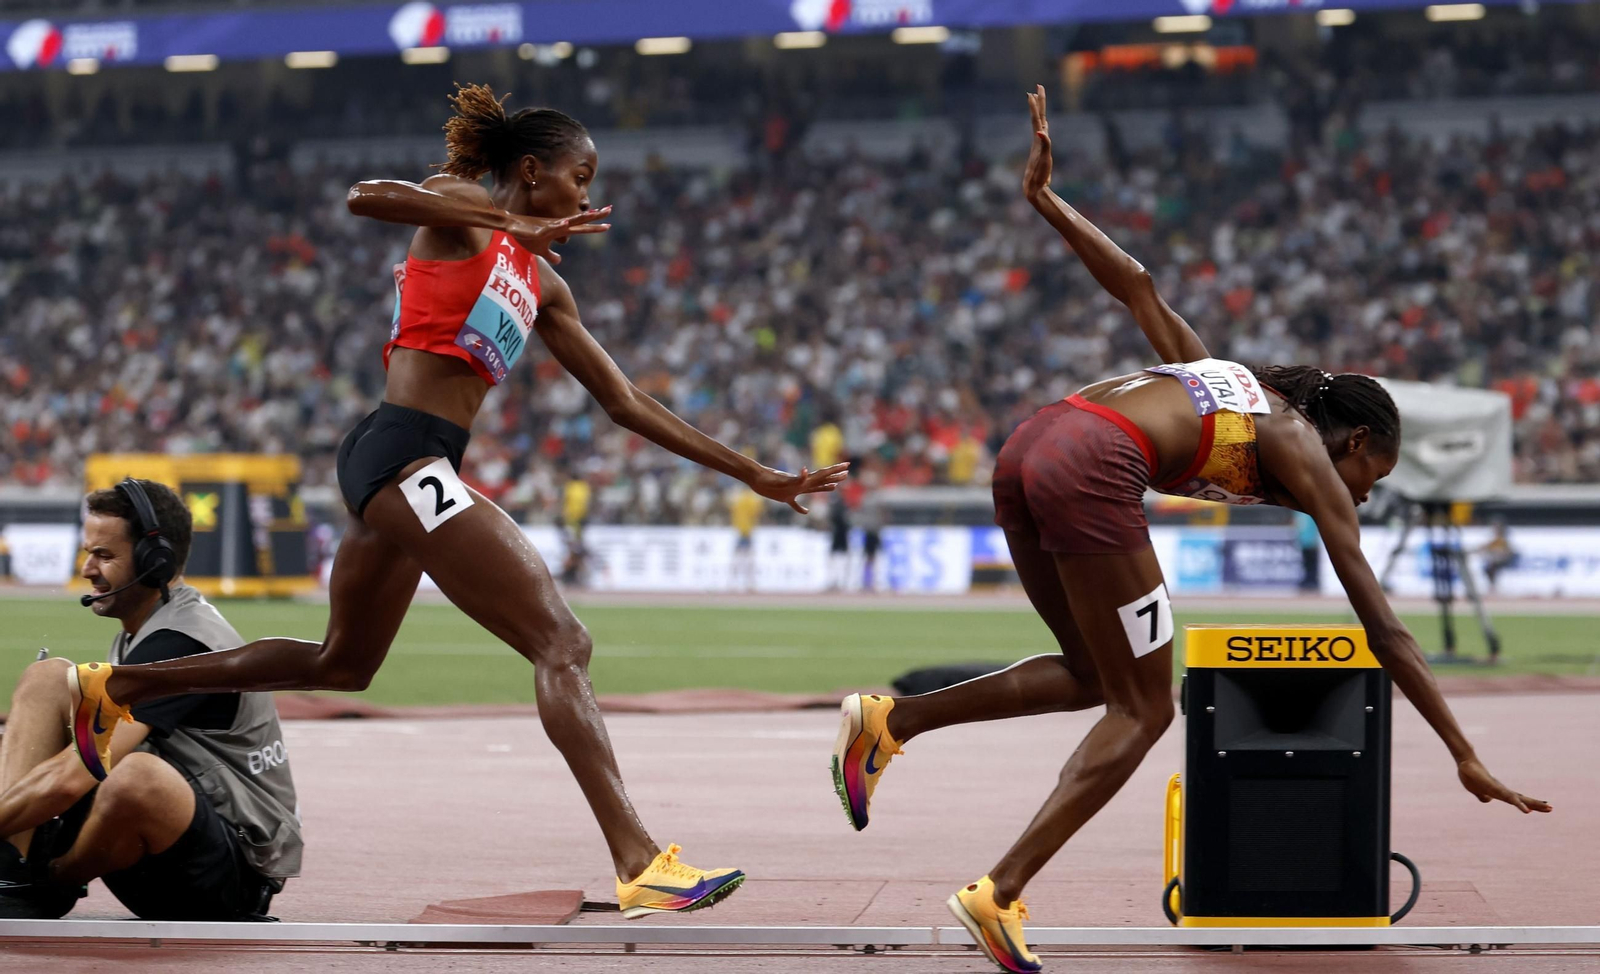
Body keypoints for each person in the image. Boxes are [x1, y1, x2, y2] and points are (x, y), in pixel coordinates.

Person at [65, 84, 847, 918]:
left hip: (420, 462)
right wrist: (511, 224)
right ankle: (640, 859)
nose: (586, 196)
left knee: (342, 664)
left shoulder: (544, 284)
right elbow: (365, 196)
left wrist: (751, 472)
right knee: (562, 642)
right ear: (533, 170)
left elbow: (625, 401)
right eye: (581, 177)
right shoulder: (463, 208)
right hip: (399, 451)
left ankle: (119, 690)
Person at [830, 86, 1550, 974]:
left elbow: (1137, 286)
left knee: (1095, 678)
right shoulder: (1296, 443)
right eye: (1374, 476)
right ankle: (999, 890)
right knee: (1146, 709)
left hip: (1028, 446)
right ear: (1354, 442)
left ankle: (890, 719)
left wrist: (1046, 203)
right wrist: (1463, 750)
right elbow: (1382, 622)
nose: (1361, 496)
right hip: (1094, 464)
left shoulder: (1224, 378)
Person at [2, 480, 299, 920]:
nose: (86, 569)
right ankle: (12, 872)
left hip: (230, 876)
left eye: (104, 555)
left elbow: (72, 776)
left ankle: (49, 881)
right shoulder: (144, 631)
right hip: (172, 843)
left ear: (154, 562)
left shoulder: (181, 641)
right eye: (88, 553)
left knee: (137, 776)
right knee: (49, 679)